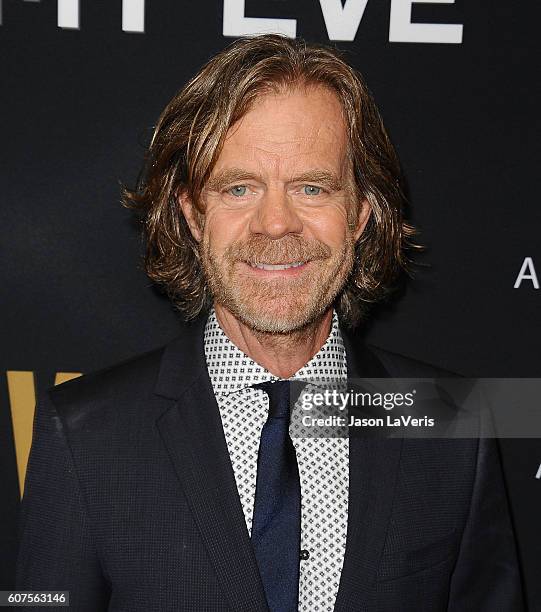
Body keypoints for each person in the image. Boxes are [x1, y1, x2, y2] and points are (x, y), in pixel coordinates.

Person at [16, 35, 524, 611]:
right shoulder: (82, 433)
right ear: (192, 213)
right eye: (239, 188)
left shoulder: (453, 423)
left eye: (311, 187)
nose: (275, 223)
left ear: (360, 214)